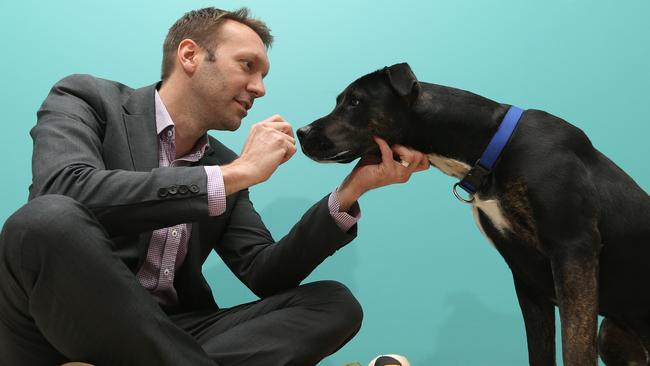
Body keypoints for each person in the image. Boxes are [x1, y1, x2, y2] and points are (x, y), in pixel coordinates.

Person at [0, 7, 429, 365]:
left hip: (173, 330)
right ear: (189, 55)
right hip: (62, 327)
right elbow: (65, 188)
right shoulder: (87, 99)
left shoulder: (221, 161)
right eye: (247, 66)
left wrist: (353, 189)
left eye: (263, 75)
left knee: (334, 303)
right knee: (46, 219)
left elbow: (265, 273)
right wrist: (237, 174)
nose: (259, 88)